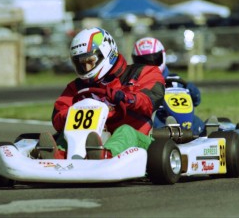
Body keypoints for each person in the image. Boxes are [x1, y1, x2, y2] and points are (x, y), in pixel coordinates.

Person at [39, 27, 165, 160]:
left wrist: (126, 98)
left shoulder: (143, 72)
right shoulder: (78, 87)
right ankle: (58, 156)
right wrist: (72, 115)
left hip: (136, 140)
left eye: (90, 61)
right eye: (81, 64)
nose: (86, 68)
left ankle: (105, 155)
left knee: (125, 131)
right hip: (93, 139)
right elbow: (58, 114)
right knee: (68, 131)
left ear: (107, 53)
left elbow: (150, 100)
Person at [132, 37, 205, 136]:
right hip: (157, 117)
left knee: (198, 124)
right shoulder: (134, 82)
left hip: (182, 117)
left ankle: (204, 133)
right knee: (152, 123)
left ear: (162, 55)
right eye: (144, 62)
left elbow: (197, 100)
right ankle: (171, 132)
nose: (150, 65)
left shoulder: (175, 79)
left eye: (154, 59)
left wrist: (189, 87)